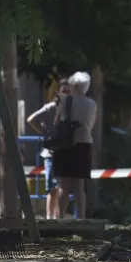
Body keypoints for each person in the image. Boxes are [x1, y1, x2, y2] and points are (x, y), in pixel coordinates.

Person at [51, 71, 98, 219]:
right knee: (79, 185)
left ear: (75, 86)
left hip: (66, 144)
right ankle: (81, 217)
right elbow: (91, 124)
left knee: (64, 184)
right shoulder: (92, 104)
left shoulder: (65, 100)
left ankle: (60, 217)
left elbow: (57, 121)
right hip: (84, 143)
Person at [26, 81, 70, 218]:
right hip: (51, 153)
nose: (66, 95)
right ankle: (50, 217)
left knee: (62, 187)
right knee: (51, 187)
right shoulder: (51, 108)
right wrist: (45, 132)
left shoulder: (71, 110)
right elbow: (31, 119)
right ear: (58, 92)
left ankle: (59, 216)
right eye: (64, 91)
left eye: (68, 92)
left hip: (66, 152)